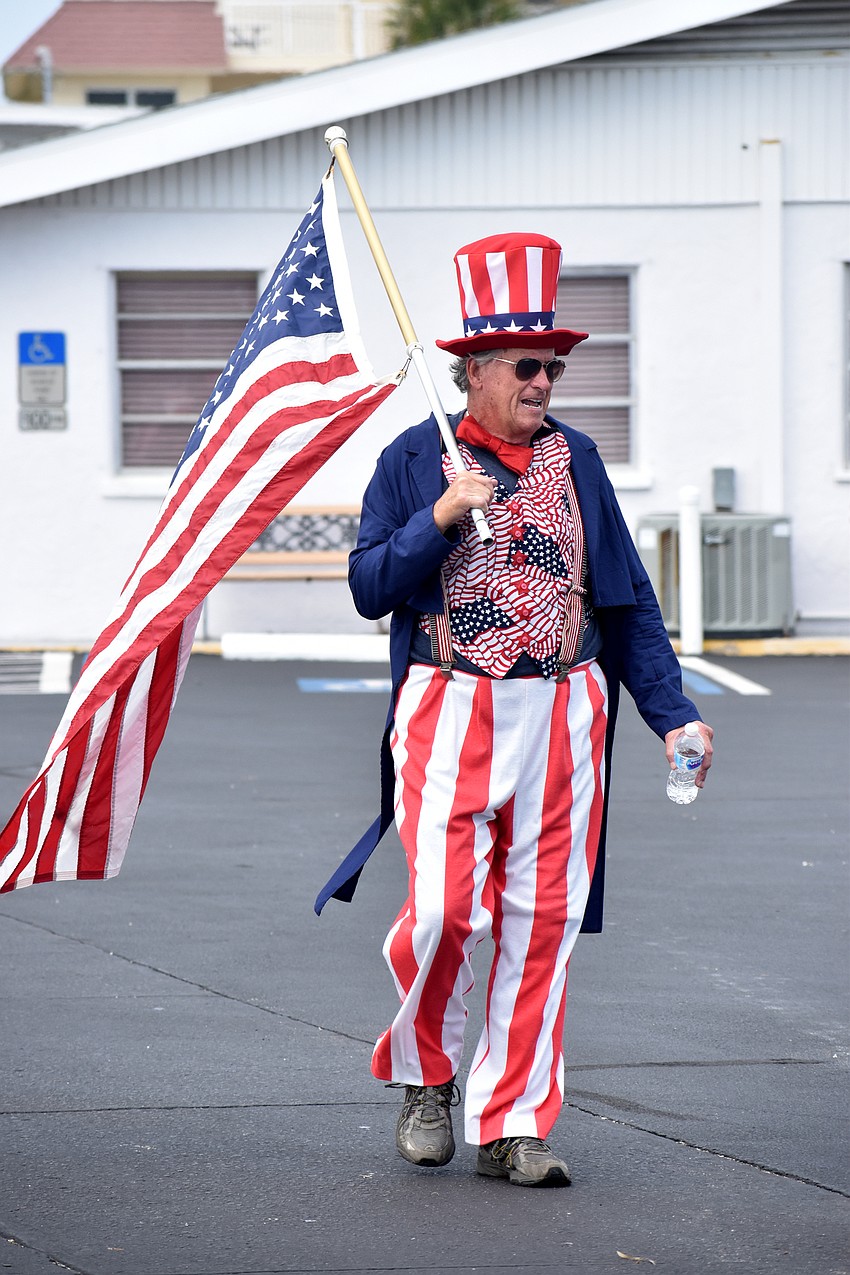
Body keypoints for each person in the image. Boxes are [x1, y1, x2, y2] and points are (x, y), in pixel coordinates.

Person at [315, 232, 713, 1187]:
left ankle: (514, 1122)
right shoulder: (415, 457)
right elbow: (371, 585)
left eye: (556, 364)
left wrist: (673, 712)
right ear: (476, 371)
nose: (546, 381)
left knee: (543, 920)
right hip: (450, 706)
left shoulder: (577, 459)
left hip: (565, 710)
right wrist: (442, 514)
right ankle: (427, 1075)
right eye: (529, 365)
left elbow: (623, 597)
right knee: (447, 910)